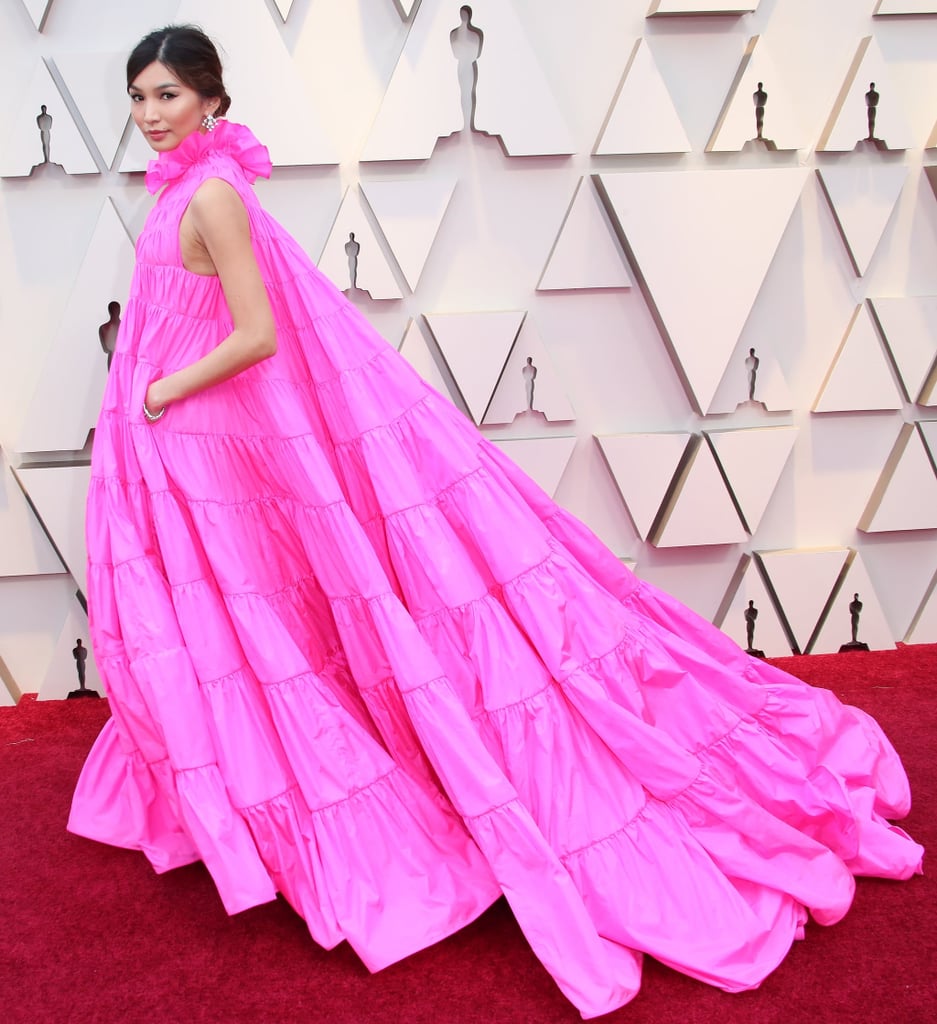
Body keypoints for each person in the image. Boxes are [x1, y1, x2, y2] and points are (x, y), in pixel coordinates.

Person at [67, 25, 922, 1020]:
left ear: (211, 98)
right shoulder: (178, 187)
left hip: (200, 427)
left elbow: (254, 334)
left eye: (166, 95)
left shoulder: (214, 195)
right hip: (194, 444)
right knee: (232, 619)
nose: (149, 114)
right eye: (137, 97)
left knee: (259, 616)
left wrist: (162, 385)